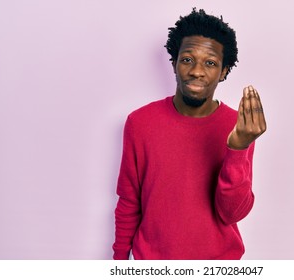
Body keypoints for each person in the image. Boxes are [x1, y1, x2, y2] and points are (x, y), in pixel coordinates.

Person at [112, 8, 266, 260]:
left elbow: (232, 213)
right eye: (187, 59)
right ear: (174, 63)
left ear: (224, 71)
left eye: (210, 63)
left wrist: (238, 149)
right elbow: (129, 202)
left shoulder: (237, 126)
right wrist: (118, 265)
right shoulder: (139, 122)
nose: (196, 71)